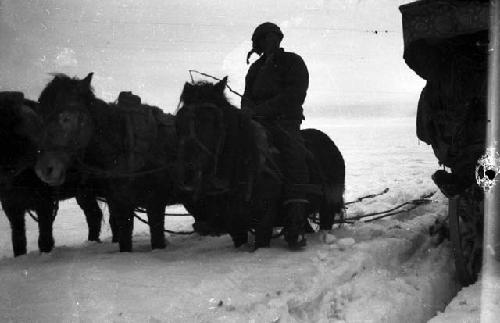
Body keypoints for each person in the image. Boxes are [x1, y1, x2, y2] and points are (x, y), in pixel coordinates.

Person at [241, 22, 310, 249]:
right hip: (256, 124)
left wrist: (263, 110)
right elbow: (247, 97)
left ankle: (296, 223)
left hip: (284, 122)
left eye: (270, 38)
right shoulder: (254, 69)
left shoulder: (292, 62)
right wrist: (247, 112)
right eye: (262, 39)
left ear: (278, 39)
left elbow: (294, 94)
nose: (266, 43)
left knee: (294, 157)